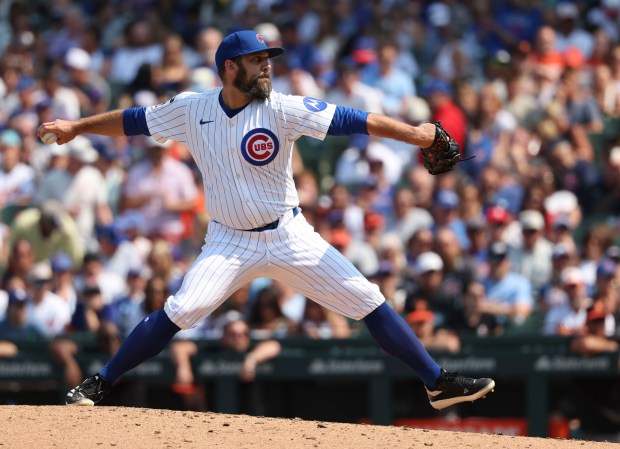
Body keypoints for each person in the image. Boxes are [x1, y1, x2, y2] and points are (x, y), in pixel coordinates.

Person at [38, 29, 494, 410]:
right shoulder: (191, 108)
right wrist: (77, 127)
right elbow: (133, 120)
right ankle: (100, 382)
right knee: (182, 309)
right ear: (230, 68)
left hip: (289, 234)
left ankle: (436, 382)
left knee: (367, 298)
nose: (267, 66)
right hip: (228, 242)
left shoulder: (282, 107)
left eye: (267, 59)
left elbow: (356, 120)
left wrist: (417, 134)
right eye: (256, 60)